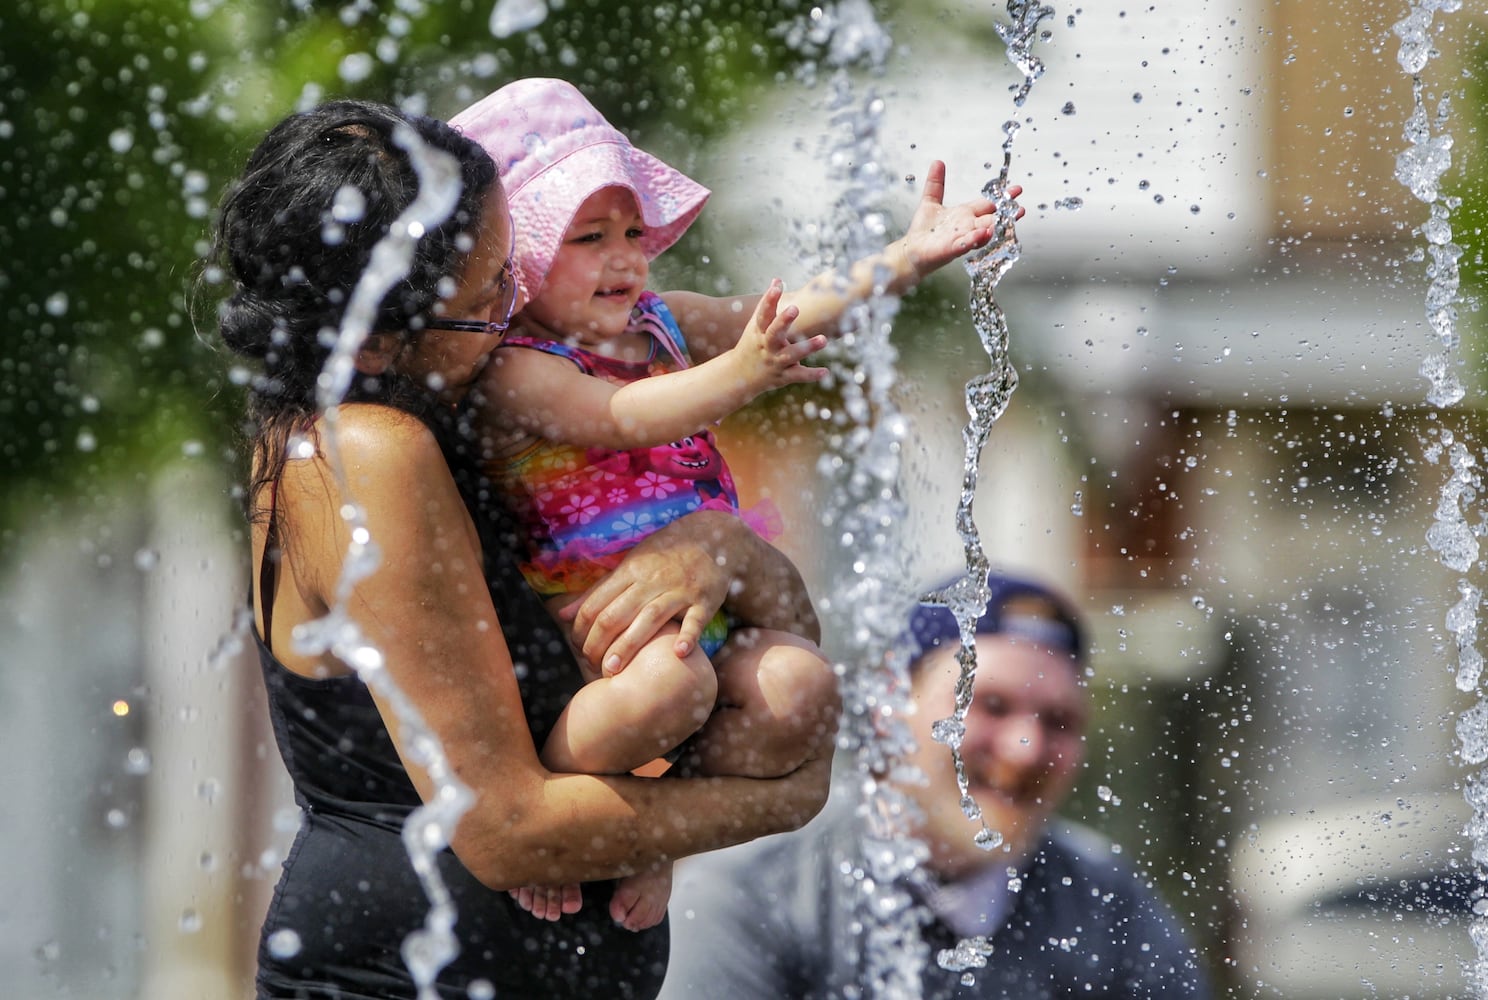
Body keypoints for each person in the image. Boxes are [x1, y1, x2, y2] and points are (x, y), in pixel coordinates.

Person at [207, 98, 835, 1000]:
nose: (517, 315)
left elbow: (788, 634)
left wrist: (718, 543)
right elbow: (506, 831)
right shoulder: (362, 453)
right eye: (487, 298)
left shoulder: (475, 425)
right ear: (382, 338)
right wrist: (789, 799)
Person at [447, 77, 1020, 928]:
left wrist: (903, 261)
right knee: (665, 692)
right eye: (590, 236)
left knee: (801, 688)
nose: (626, 257)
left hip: (702, 614)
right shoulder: (521, 368)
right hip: (597, 629)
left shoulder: (665, 325)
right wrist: (739, 378)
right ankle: (559, 807)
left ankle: (656, 832)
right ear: (520, 255)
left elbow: (787, 312)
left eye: (635, 231)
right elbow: (621, 414)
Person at [659, 571, 1213, 999]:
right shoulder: (751, 895)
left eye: (1060, 722)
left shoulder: (1103, 899)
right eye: (986, 704)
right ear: (886, 709)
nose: (1027, 749)